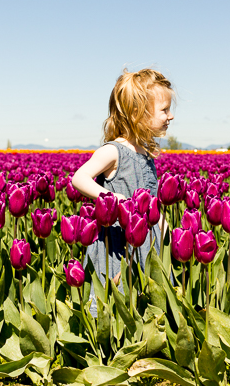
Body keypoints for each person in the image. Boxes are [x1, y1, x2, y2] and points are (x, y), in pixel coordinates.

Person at [72, 68, 174, 313]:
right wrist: (108, 196)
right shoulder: (114, 151)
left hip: (145, 240)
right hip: (116, 243)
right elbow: (79, 177)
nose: (170, 116)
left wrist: (161, 225)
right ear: (138, 113)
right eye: (164, 110)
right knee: (115, 302)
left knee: (145, 298)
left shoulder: (146, 153)